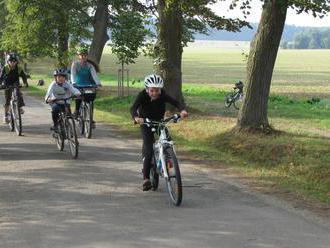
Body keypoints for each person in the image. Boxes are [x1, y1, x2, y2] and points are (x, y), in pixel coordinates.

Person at [130, 74, 188, 191]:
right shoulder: (142, 95)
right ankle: (146, 178)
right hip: (145, 122)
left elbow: (176, 102)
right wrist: (136, 117)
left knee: (168, 141)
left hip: (159, 122)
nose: (155, 93)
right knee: (148, 149)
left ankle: (169, 160)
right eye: (152, 90)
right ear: (147, 89)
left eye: (157, 90)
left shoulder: (163, 95)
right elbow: (133, 108)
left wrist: (183, 110)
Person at [70, 46, 101, 121]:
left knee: (91, 100)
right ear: (79, 56)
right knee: (78, 96)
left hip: (88, 84)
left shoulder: (90, 65)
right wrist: (73, 82)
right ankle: (77, 111)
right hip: (78, 84)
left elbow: (94, 75)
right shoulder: (75, 64)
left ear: (87, 56)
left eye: (85, 55)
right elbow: (73, 74)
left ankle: (90, 118)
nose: (83, 57)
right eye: (82, 55)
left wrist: (98, 83)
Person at [0, 53, 29, 124]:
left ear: (17, 62)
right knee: (7, 100)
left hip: (16, 83)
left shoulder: (19, 68)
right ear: (8, 61)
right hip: (7, 84)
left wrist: (25, 83)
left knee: (18, 93)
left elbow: (23, 76)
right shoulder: (5, 67)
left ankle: (20, 107)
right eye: (11, 61)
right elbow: (1, 77)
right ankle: (6, 116)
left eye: (14, 61)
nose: (13, 63)